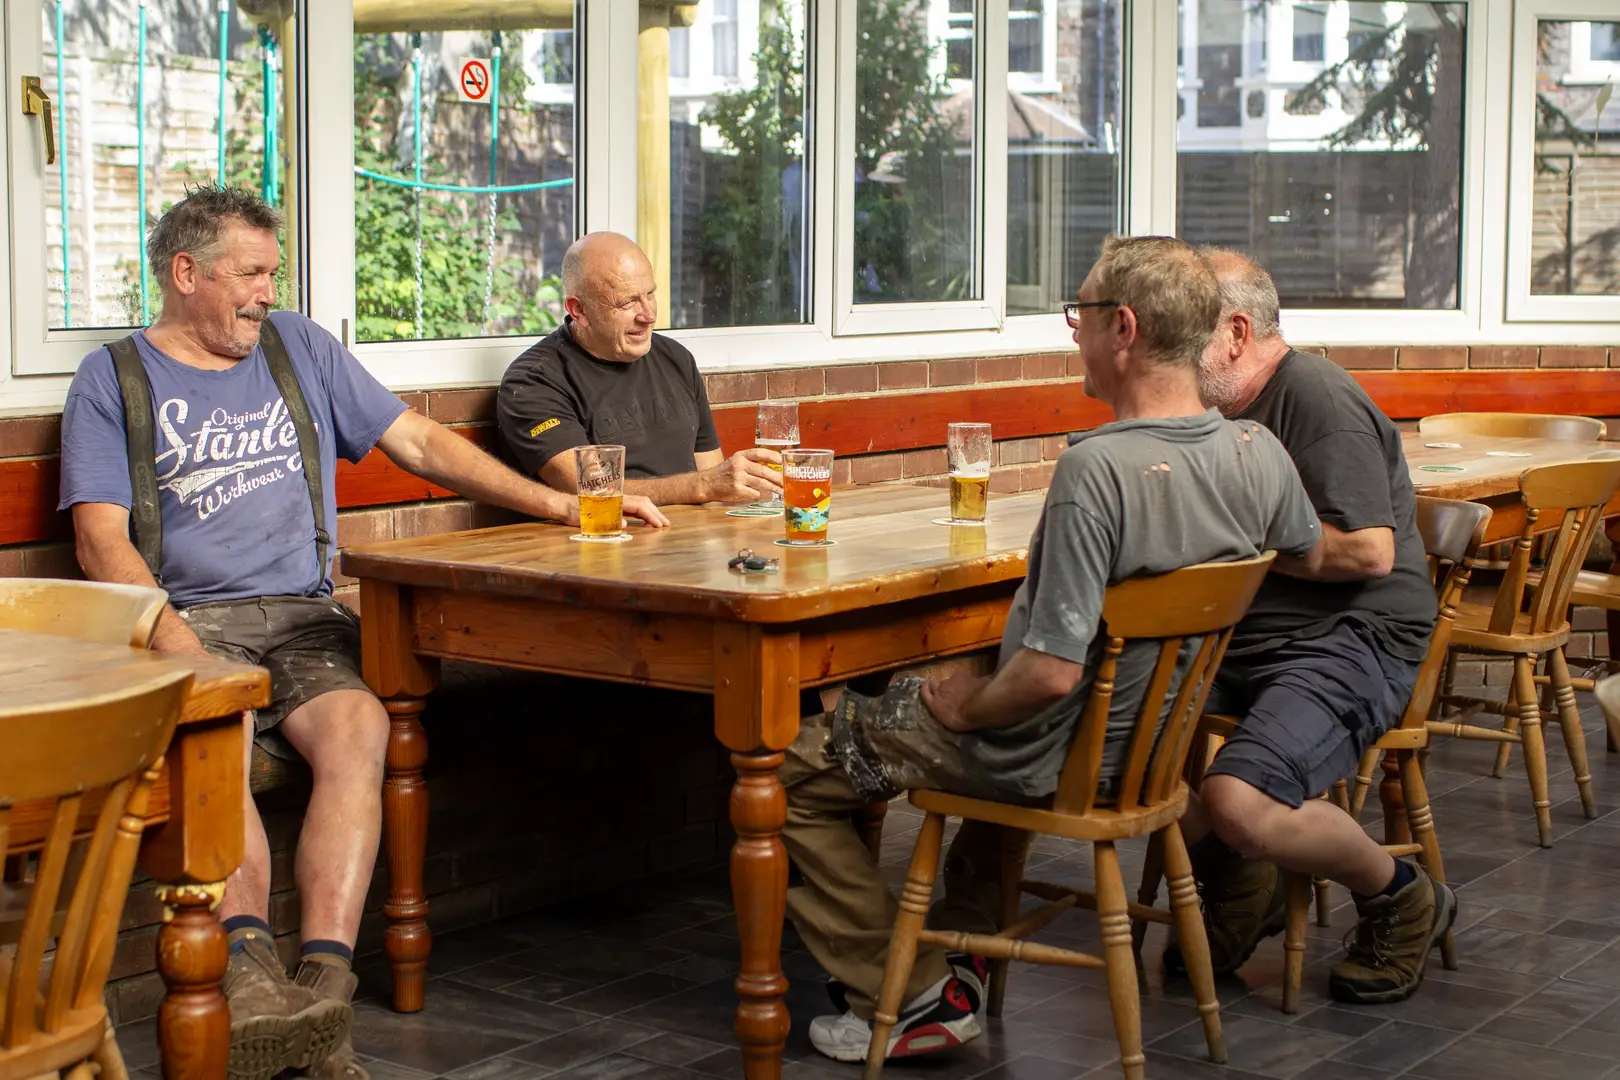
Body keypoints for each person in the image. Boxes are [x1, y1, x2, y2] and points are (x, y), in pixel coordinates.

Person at [56, 186, 668, 1080]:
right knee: (216, 739)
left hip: (304, 614)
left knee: (361, 725)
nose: (268, 293)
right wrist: (176, 645)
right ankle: (251, 976)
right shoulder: (112, 379)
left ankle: (324, 988)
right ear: (185, 274)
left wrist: (562, 505)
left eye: (273, 274)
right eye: (251, 274)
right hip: (186, 622)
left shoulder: (298, 346)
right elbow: (100, 541)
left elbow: (417, 441)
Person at [785, 235, 1322, 1064]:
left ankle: (910, 991)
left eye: (1082, 313)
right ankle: (959, 962)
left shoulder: (1094, 472)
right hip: (1151, 754)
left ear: (1125, 328)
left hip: (1053, 756)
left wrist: (967, 704)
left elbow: (1047, 676)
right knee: (977, 699)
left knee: (787, 773)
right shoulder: (1260, 454)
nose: (1073, 331)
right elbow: (1307, 554)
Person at [1180, 247, 1447, 1004]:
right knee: (1112, 743)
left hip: (1354, 637)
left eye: (1184, 332)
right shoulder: (1219, 412)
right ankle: (1245, 879)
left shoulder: (1316, 398)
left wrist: (1232, 542)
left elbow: (1368, 550)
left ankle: (1402, 896)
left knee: (1237, 800)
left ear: (1236, 333)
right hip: (1250, 638)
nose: (1171, 350)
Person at [496, 231, 782, 504]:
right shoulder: (533, 382)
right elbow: (589, 489)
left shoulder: (676, 358)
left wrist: (718, 490)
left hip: (692, 533)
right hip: (604, 535)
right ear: (579, 310)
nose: (649, 315)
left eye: (650, 294)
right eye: (627, 302)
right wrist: (701, 486)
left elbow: (714, 482)